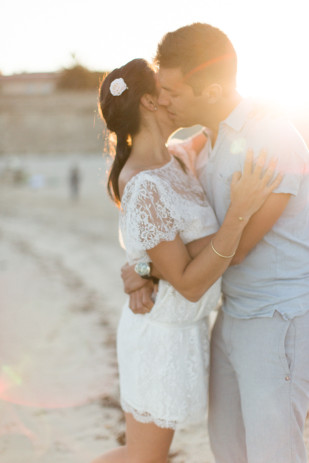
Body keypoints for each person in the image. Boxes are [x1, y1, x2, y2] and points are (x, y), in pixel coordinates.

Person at [123, 23, 309, 463]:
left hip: (278, 317)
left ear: (210, 89)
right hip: (229, 318)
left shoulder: (272, 137)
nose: (161, 99)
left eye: (170, 90)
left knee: (274, 453)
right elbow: (153, 197)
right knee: (230, 452)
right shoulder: (205, 142)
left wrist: (154, 270)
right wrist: (143, 267)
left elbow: (237, 246)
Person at [91, 58, 281, 463]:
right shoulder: (143, 184)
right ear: (148, 102)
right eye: (167, 91)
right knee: (145, 458)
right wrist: (239, 212)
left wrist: (143, 268)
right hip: (158, 338)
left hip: (185, 333)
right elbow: (190, 283)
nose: (175, 98)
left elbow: (220, 123)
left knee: (148, 456)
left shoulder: (175, 157)